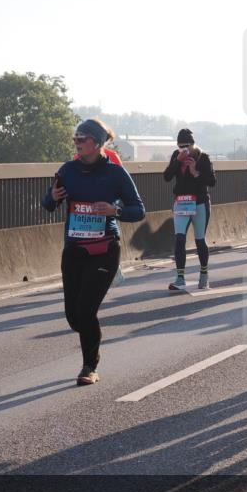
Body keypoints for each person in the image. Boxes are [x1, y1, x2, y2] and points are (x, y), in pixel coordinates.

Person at [42, 118, 145, 385]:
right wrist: (52, 198)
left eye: (82, 138)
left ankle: (89, 367)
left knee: (86, 311)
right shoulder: (68, 170)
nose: (76, 143)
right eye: (75, 138)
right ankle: (92, 333)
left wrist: (115, 210)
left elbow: (138, 210)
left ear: (97, 143)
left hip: (105, 249)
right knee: (74, 317)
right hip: (74, 250)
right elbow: (48, 203)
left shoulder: (115, 174)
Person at [163, 128, 216, 291]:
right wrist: (177, 161)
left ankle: (204, 275)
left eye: (186, 146)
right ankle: (180, 278)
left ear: (193, 144)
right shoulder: (176, 156)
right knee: (179, 238)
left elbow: (212, 181)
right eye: (180, 146)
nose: (184, 149)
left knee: (200, 239)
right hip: (181, 202)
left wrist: (195, 172)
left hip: (199, 203)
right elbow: (166, 177)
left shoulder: (203, 157)